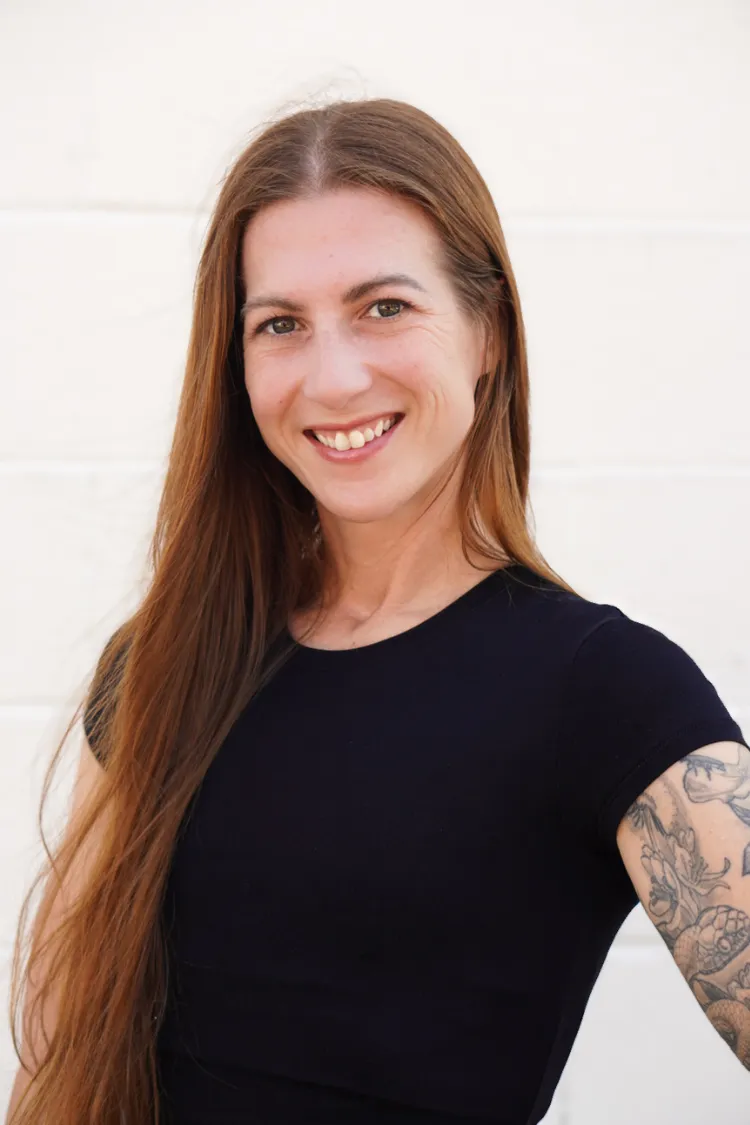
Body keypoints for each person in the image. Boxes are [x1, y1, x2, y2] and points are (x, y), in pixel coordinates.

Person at [6, 97, 750, 1125]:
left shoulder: (604, 689)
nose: (335, 376)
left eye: (385, 308)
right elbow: (56, 1066)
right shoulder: (166, 659)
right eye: (280, 325)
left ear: (487, 335)